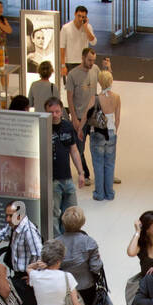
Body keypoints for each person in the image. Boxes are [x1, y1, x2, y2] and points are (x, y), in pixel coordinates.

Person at [60, 206, 102, 305]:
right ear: (82, 222)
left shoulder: (56, 242)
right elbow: (95, 268)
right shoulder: (89, 242)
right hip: (86, 289)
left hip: (64, 289)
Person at [46, 97, 86, 235]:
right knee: (54, 212)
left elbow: (73, 150)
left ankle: (70, 237)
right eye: (51, 112)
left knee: (72, 212)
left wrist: (81, 173)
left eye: (57, 111)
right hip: (52, 179)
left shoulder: (67, 127)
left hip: (67, 178)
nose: (55, 115)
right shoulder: (43, 128)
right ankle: (58, 241)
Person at [65, 46, 98, 182]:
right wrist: (73, 117)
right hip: (79, 116)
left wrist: (109, 68)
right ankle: (84, 173)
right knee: (80, 148)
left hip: (94, 116)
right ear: (83, 58)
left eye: (93, 60)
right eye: (89, 60)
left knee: (99, 146)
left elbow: (105, 82)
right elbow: (69, 98)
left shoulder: (95, 69)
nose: (91, 63)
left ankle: (101, 175)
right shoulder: (72, 75)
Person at [89, 69, 120, 201]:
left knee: (98, 163)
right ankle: (109, 193)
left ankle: (99, 193)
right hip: (111, 132)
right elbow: (117, 119)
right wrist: (114, 130)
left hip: (97, 133)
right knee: (110, 163)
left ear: (99, 82)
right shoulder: (117, 97)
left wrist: (80, 129)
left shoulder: (95, 98)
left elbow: (87, 115)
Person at [59, 5, 97, 79]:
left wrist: (86, 28)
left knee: (83, 86)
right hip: (70, 62)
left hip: (84, 62)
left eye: (83, 17)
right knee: (71, 87)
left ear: (86, 18)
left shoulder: (88, 27)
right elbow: (62, 47)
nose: (80, 19)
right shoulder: (66, 28)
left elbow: (93, 42)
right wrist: (63, 65)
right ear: (75, 14)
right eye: (78, 16)